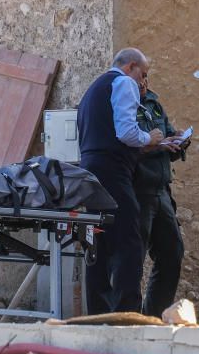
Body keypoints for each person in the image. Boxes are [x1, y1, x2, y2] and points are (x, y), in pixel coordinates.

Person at [77, 48, 164, 314]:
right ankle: (127, 310)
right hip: (113, 171)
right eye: (143, 74)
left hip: (90, 169)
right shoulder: (123, 82)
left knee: (98, 241)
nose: (143, 83)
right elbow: (126, 131)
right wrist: (150, 138)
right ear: (131, 67)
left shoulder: (93, 89)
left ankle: (98, 312)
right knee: (128, 238)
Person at [135, 72, 188, 317]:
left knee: (172, 252)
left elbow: (167, 139)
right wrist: (153, 144)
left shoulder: (154, 104)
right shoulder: (124, 106)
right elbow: (126, 146)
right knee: (132, 257)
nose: (145, 82)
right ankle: (128, 319)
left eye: (147, 77)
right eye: (140, 76)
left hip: (161, 190)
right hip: (138, 190)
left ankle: (154, 317)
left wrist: (177, 142)